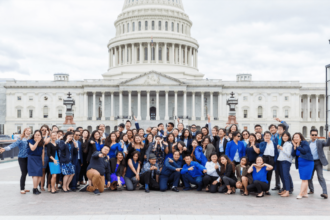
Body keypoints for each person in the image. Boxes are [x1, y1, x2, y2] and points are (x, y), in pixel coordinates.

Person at [0, 128, 31, 194]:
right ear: (24, 131)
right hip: (22, 158)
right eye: (27, 131)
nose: (28, 132)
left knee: (26, 173)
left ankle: (24, 188)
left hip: (29, 158)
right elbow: (13, 145)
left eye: (30, 131)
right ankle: (22, 189)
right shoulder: (20, 139)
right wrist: (5, 149)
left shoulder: (30, 139)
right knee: (23, 173)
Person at [308, 129, 330, 199]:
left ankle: (325, 193)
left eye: (315, 135)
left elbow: (327, 144)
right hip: (310, 162)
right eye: (313, 135)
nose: (314, 136)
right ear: (310, 135)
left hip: (318, 162)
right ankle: (311, 190)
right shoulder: (308, 143)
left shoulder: (320, 142)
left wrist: (329, 137)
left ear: (317, 135)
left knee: (320, 177)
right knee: (309, 177)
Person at [291, 132, 314, 199]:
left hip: (308, 163)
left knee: (304, 179)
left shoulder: (304, 143)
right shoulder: (294, 144)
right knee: (304, 179)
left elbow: (304, 151)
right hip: (301, 164)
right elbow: (293, 154)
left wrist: (298, 146)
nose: (295, 138)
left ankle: (301, 194)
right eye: (294, 137)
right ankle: (305, 193)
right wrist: (295, 147)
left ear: (300, 138)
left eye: (297, 137)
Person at [27, 130, 45, 195]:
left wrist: (43, 161)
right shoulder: (30, 141)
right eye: (36, 134)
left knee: (39, 174)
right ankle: (34, 189)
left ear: (41, 136)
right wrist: (37, 141)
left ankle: (36, 188)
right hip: (32, 158)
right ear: (34, 135)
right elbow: (32, 149)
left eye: (38, 135)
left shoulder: (42, 142)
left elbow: (43, 152)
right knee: (35, 174)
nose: (37, 136)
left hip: (39, 159)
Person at [277, 131, 293, 197]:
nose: (284, 137)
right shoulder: (284, 144)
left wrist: (281, 148)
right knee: (283, 176)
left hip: (286, 161)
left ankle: (287, 191)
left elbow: (288, 154)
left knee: (285, 176)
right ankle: (285, 189)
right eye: (283, 136)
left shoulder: (289, 144)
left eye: (286, 136)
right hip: (281, 161)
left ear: (289, 137)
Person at [40, 124, 51, 192]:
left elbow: (45, 142)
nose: (44, 131)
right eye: (42, 130)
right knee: (42, 171)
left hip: (48, 153)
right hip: (41, 154)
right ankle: (41, 186)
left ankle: (48, 185)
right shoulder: (38, 136)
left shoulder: (49, 136)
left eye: (45, 130)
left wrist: (46, 134)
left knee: (49, 171)